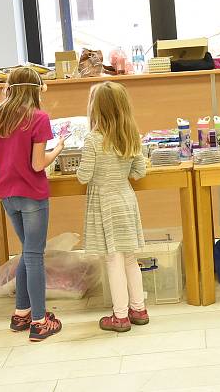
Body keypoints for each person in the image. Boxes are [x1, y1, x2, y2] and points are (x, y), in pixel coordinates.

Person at [0, 66, 65, 342]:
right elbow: (37, 164)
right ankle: (40, 322)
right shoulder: (39, 118)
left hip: (7, 194)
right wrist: (58, 149)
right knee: (34, 255)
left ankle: (22, 313)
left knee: (28, 252)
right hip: (31, 193)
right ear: (36, 89)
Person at [77, 82, 150, 332]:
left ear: (95, 108)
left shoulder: (93, 139)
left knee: (112, 260)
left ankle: (119, 316)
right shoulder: (130, 135)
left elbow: (83, 176)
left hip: (104, 203)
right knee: (130, 259)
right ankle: (138, 308)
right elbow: (140, 171)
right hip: (126, 200)